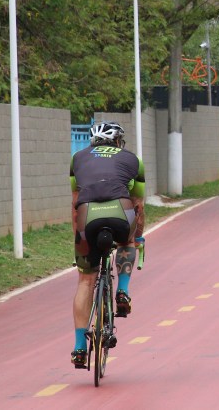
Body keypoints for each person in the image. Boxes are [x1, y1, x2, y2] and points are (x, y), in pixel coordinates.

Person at [68, 121, 145, 369]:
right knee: (128, 240)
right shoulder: (133, 160)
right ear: (118, 142)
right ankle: (122, 290)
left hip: (86, 217)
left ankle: (80, 347)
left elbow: (74, 207)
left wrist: (79, 242)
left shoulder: (77, 159)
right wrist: (139, 238)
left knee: (85, 280)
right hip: (121, 213)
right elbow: (139, 206)